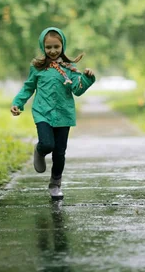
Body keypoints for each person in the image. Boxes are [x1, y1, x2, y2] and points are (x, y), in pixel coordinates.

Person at [10, 27, 96, 200]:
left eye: (56, 46)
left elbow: (77, 90)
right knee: (48, 144)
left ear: (62, 46)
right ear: (43, 47)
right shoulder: (37, 67)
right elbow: (28, 87)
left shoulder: (70, 68)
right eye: (48, 47)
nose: (52, 50)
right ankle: (40, 150)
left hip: (64, 114)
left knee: (59, 152)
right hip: (42, 112)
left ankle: (55, 183)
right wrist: (17, 103)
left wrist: (87, 78)